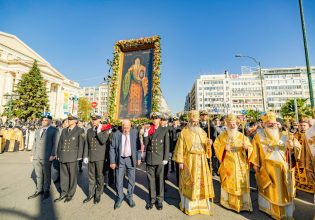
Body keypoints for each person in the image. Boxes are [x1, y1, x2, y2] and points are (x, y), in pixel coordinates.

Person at [250, 112, 301, 220]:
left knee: (284, 192)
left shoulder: (286, 135)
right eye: (269, 123)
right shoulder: (258, 137)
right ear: (264, 124)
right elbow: (255, 152)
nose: (272, 125)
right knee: (269, 190)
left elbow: (297, 149)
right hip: (267, 169)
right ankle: (269, 210)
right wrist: (256, 165)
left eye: (273, 123)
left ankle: (285, 212)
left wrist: (292, 147)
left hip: (284, 169)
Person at [172, 110, 214, 216]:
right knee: (189, 182)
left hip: (201, 160)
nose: (195, 123)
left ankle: (202, 205)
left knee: (201, 183)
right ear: (189, 121)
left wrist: (209, 144)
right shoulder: (184, 132)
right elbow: (180, 147)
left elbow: (207, 149)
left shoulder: (203, 132)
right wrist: (180, 161)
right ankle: (190, 206)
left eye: (196, 121)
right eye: (193, 121)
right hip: (189, 160)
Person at [213, 114, 253, 212]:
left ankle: (243, 204)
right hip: (228, 162)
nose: (232, 126)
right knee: (228, 182)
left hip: (240, 163)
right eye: (230, 124)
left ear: (237, 124)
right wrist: (223, 149)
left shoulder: (242, 135)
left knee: (241, 183)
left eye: (234, 124)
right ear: (226, 124)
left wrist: (247, 148)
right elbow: (216, 146)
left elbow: (250, 148)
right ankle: (228, 203)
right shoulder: (222, 136)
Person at [110, 119, 141, 209]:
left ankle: (129, 197)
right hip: (120, 160)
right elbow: (112, 148)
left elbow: (138, 147)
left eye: (128, 127)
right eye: (124, 127)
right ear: (122, 126)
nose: (126, 129)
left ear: (130, 126)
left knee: (131, 180)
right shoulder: (116, 134)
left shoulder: (135, 132)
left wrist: (138, 158)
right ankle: (120, 197)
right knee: (119, 180)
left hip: (131, 159)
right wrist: (112, 161)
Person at [54, 114, 85, 203]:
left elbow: (81, 144)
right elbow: (60, 143)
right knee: (64, 176)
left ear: (75, 121)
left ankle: (70, 193)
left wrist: (79, 156)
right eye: (68, 120)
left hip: (72, 156)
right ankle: (63, 192)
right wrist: (58, 154)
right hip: (63, 155)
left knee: (72, 176)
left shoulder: (80, 130)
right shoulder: (64, 130)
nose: (69, 121)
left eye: (71, 120)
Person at [28, 114, 59, 200]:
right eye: (43, 120)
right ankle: (39, 190)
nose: (44, 121)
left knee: (46, 174)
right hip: (36, 156)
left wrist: (53, 155)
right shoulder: (38, 130)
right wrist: (32, 154)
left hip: (47, 156)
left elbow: (55, 143)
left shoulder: (54, 130)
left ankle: (46, 190)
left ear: (50, 121)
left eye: (46, 120)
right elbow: (35, 143)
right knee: (38, 174)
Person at [144, 112, 170, 210]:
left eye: (156, 118)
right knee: (151, 180)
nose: (154, 120)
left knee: (160, 180)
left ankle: (159, 200)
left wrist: (166, 158)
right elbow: (146, 144)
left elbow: (166, 146)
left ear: (160, 119)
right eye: (153, 118)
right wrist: (145, 134)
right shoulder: (149, 129)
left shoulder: (164, 130)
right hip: (150, 158)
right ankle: (152, 200)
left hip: (159, 159)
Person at [82, 114, 109, 204]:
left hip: (100, 157)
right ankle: (91, 193)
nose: (93, 121)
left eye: (96, 120)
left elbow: (103, 141)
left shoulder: (104, 130)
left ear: (99, 120)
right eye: (93, 120)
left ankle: (98, 193)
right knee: (91, 176)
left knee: (99, 176)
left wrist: (98, 131)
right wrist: (85, 156)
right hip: (91, 156)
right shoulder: (89, 130)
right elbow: (87, 144)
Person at [295, 118, 314, 193]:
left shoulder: (311, 135)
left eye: (304, 125)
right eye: (301, 125)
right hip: (299, 160)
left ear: (308, 126)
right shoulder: (295, 135)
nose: (302, 127)